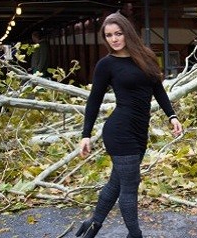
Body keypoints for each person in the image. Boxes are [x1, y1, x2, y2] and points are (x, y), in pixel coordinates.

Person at [76, 12, 183, 238]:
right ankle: (135, 235)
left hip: (138, 131)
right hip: (120, 131)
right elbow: (94, 100)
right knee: (129, 187)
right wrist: (86, 134)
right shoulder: (106, 65)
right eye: (108, 35)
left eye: (118, 33)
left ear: (128, 33)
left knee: (116, 183)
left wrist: (172, 116)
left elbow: (158, 90)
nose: (114, 39)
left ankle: (93, 224)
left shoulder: (145, 57)